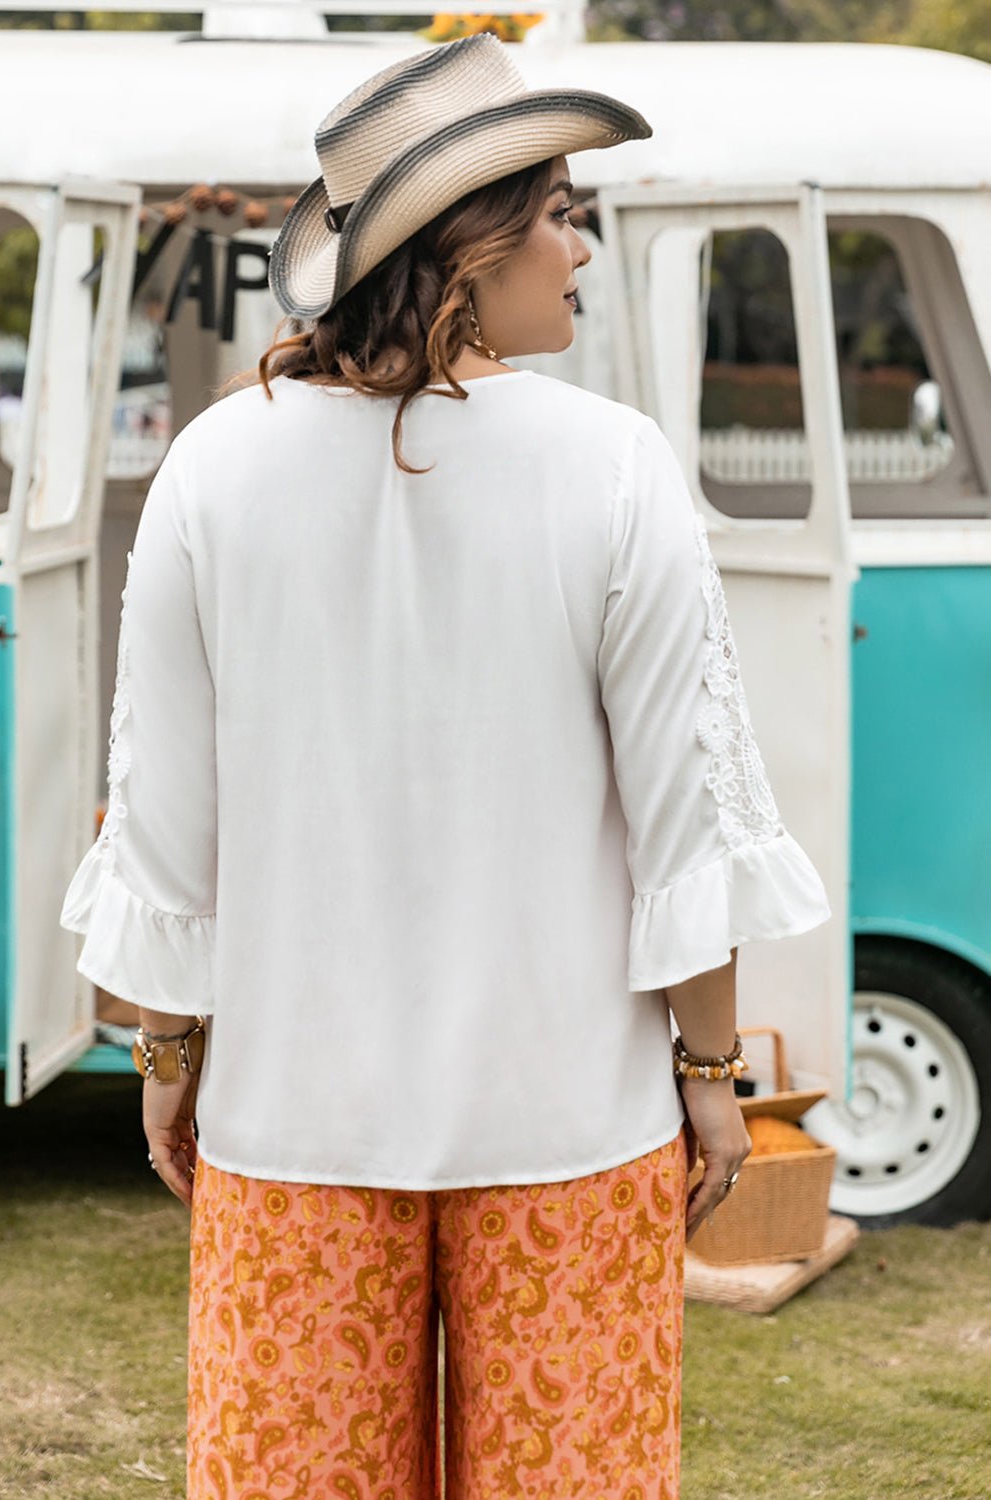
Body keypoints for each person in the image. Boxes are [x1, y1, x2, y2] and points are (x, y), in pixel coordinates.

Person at [61, 33, 830, 1500]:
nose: (580, 248)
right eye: (555, 212)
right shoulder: (612, 467)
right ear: (462, 250)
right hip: (569, 1131)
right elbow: (689, 823)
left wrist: (165, 1058)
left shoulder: (214, 468)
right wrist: (712, 1077)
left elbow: (167, 827)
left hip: (291, 1133)